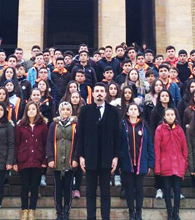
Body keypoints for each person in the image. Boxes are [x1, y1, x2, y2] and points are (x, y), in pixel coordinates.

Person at [76, 82, 121, 220]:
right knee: (90, 192)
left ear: (106, 94)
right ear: (93, 94)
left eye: (102, 91)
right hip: (90, 156)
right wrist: (81, 155)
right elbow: (80, 135)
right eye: (97, 91)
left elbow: (117, 135)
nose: (100, 93)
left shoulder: (114, 111)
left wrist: (116, 157)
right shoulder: (85, 111)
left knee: (105, 192)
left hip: (107, 157)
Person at [119, 103, 154, 220]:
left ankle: (138, 212)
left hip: (141, 162)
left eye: (135, 109)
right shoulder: (122, 125)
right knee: (129, 188)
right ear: (127, 112)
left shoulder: (144, 126)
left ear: (139, 112)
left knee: (139, 188)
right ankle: (131, 211)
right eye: (131, 109)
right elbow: (119, 145)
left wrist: (150, 162)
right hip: (127, 162)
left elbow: (149, 144)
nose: (133, 111)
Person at [14, 101, 48, 220]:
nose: (31, 111)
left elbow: (45, 144)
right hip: (23, 159)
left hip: (37, 160)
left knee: (34, 186)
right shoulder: (20, 126)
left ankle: (32, 210)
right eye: (29, 109)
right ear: (26, 112)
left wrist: (45, 160)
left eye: (34, 109)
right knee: (24, 186)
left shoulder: (43, 125)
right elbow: (16, 143)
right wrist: (15, 161)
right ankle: (24, 210)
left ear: (37, 111)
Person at [46, 101, 78, 220]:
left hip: (69, 161)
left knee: (68, 187)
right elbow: (49, 142)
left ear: (70, 111)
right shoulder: (53, 125)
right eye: (63, 109)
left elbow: (78, 143)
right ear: (59, 111)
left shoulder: (75, 125)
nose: (65, 112)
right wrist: (50, 158)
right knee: (58, 187)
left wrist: (75, 158)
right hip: (57, 160)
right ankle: (59, 211)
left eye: (67, 109)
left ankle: (66, 211)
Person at [154, 107, 187, 220]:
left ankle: (176, 212)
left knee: (177, 189)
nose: (170, 116)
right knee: (167, 189)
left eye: (172, 114)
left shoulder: (179, 130)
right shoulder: (159, 129)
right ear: (164, 116)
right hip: (165, 163)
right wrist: (157, 166)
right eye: (167, 114)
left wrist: (184, 164)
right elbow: (157, 149)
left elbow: (184, 149)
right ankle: (169, 212)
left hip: (178, 164)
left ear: (175, 116)